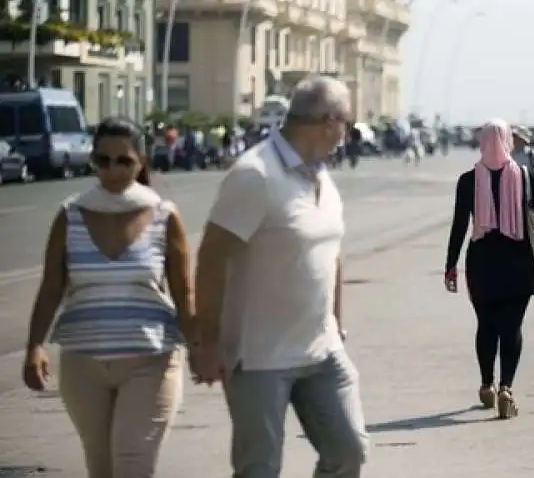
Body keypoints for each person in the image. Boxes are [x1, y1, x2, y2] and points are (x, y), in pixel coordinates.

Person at [192, 75, 368, 478]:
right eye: (347, 124)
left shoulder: (321, 176)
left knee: (349, 451)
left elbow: (332, 253)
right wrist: (208, 340)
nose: (348, 135)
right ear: (327, 121)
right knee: (260, 469)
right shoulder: (255, 174)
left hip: (322, 350)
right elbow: (212, 258)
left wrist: (337, 322)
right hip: (260, 358)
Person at [22, 117, 193, 478]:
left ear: (141, 161)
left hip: (151, 359)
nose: (112, 171)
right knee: (101, 468)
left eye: (123, 161)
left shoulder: (164, 215)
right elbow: (52, 285)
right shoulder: (70, 216)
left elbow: (184, 291)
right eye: (102, 161)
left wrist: (205, 346)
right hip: (83, 364)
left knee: (132, 465)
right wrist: (35, 346)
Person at [444, 119, 534, 420]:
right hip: (518, 262)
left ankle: (485, 385)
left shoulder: (468, 180)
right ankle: (507, 388)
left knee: (486, 325)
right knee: (512, 327)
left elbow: (458, 227)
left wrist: (450, 266)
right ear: (507, 141)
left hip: (481, 263)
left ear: (482, 142)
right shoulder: (525, 175)